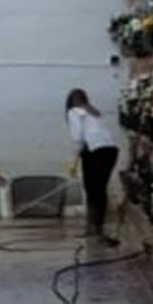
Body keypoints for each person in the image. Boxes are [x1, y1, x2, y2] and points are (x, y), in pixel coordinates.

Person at [65, 88, 120, 246]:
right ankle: (97, 228)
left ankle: (94, 229)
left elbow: (78, 137)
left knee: (92, 190)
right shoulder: (93, 112)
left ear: (70, 102)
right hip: (110, 150)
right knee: (100, 189)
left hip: (94, 151)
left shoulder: (73, 112)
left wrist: (74, 163)